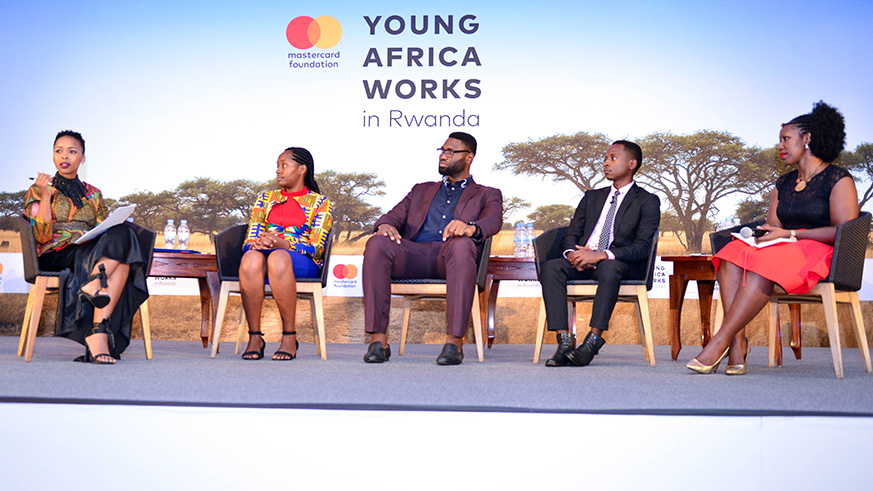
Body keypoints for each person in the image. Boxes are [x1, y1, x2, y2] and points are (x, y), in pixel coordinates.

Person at [688, 101, 859, 375]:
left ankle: (721, 341)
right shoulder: (784, 183)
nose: (779, 146)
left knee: (763, 265)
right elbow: (772, 226)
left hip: (820, 253)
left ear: (808, 139)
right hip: (783, 251)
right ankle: (738, 342)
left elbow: (844, 231)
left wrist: (791, 234)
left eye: (785, 139)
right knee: (732, 254)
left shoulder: (838, 179)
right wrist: (763, 237)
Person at [362, 132, 503, 365]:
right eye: (442, 150)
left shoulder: (487, 194)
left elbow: (493, 221)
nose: (443, 156)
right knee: (376, 242)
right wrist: (385, 225)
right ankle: (379, 342)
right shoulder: (421, 190)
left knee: (462, 244)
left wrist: (470, 227)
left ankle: (454, 343)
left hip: (451, 257)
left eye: (451, 151)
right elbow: (391, 216)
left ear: (469, 157)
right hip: (413, 256)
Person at [25, 130, 151, 364]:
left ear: (82, 158)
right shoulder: (38, 188)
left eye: (72, 151)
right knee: (121, 262)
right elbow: (41, 236)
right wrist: (44, 195)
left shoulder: (94, 193)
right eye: (59, 151)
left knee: (123, 235)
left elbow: (105, 229)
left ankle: (95, 296)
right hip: (56, 252)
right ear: (53, 156)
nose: (65, 156)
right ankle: (97, 327)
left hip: (88, 250)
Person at [539, 140, 660, 367]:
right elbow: (571, 234)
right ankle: (564, 341)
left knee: (610, 267)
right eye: (605, 159)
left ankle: (593, 341)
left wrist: (603, 254)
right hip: (582, 259)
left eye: (613, 158)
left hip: (616, 263)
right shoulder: (592, 197)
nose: (606, 163)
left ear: (632, 163)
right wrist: (571, 254)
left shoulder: (646, 200)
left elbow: (643, 246)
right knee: (551, 267)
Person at [238, 147, 332, 360]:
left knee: (278, 257)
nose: (278, 171)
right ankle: (255, 337)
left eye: (284, 165)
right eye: (277, 166)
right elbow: (249, 239)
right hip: (265, 254)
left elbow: (317, 247)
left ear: (301, 169)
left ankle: (289, 336)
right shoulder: (265, 198)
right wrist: (257, 243)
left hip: (302, 261)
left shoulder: (320, 202)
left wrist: (284, 244)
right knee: (250, 259)